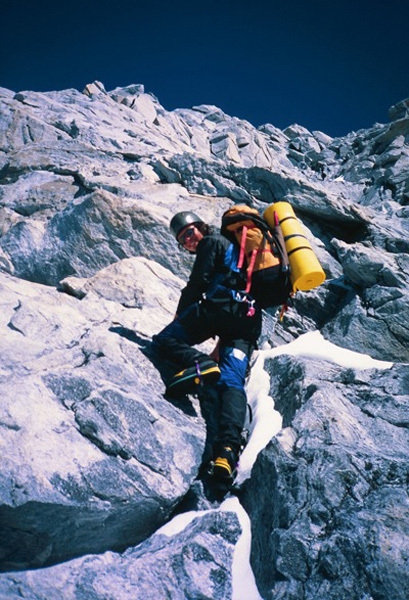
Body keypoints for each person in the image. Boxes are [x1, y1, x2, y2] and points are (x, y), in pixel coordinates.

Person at [153, 210, 263, 482]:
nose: (189, 240)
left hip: (219, 309)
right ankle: (227, 450)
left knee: (165, 340)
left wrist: (179, 316)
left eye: (190, 232)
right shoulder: (239, 250)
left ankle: (200, 364)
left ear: (201, 226)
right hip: (247, 322)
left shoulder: (212, 242)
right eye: (183, 239)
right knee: (232, 382)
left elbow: (197, 283)